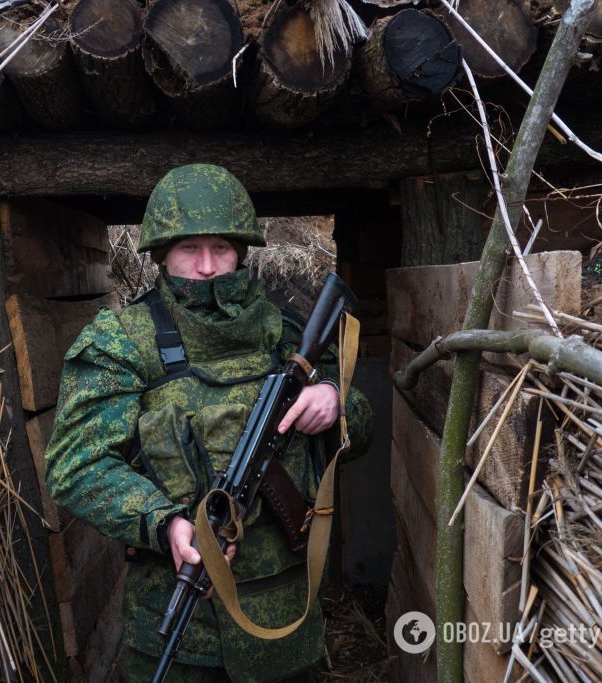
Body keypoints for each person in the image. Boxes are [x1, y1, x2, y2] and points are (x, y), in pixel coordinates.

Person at [45, 163, 372, 682]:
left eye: (220, 248)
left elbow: (362, 425)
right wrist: (165, 522)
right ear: (161, 255)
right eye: (187, 249)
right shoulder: (121, 341)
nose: (205, 266)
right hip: (181, 624)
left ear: (241, 251)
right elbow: (76, 466)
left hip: (286, 619)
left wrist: (334, 400)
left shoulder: (283, 332)